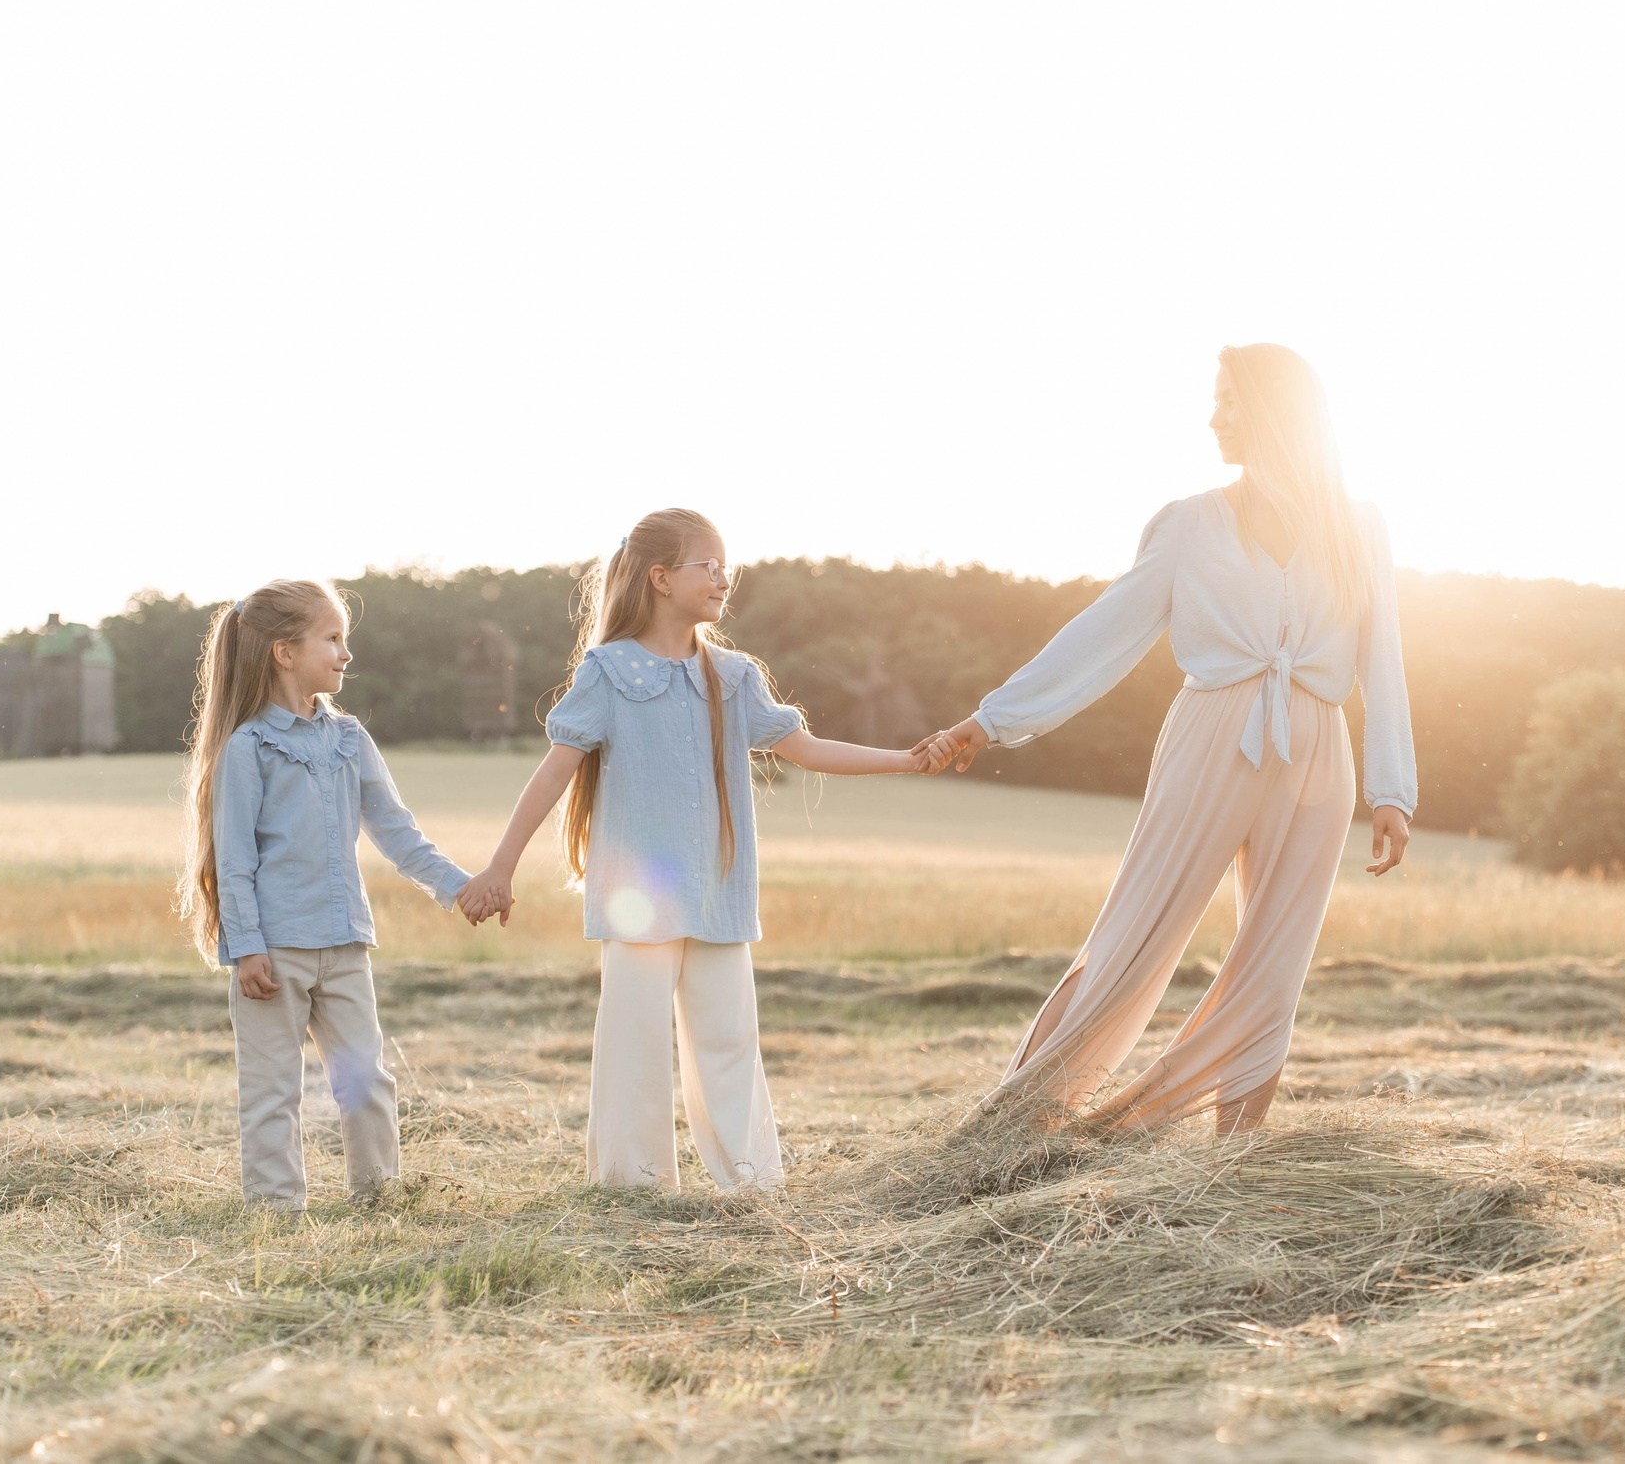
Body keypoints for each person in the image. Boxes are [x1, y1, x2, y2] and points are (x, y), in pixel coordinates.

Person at [920, 344, 1416, 1135]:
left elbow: (1383, 658)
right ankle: (1011, 1130)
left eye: (1227, 399)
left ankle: (1233, 1158)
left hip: (1319, 751)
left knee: (1273, 968)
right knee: (1130, 937)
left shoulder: (1360, 527)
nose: (1212, 416)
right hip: (1211, 736)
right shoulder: (1189, 524)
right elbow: (1105, 632)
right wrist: (995, 718)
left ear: (1275, 411)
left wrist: (1392, 790)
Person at [455, 507, 948, 1193]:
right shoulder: (608, 671)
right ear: (660, 578)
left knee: (728, 1043)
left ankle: (750, 1183)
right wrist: (501, 867)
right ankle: (633, 1186)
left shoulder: (736, 674)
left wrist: (904, 758)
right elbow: (553, 774)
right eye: (706, 565)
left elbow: (803, 748)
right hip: (638, 900)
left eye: (726, 565)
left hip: (718, 891)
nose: (723, 578)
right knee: (635, 1046)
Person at [180, 578, 478, 1211]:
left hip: (344, 944)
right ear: (285, 652)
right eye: (334, 639)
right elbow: (233, 861)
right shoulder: (248, 747)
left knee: (367, 1080)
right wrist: (247, 948)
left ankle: (380, 1200)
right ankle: (277, 1213)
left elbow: (399, 834)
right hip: (273, 952)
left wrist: (460, 888)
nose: (347, 654)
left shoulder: (350, 739)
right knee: (271, 1090)